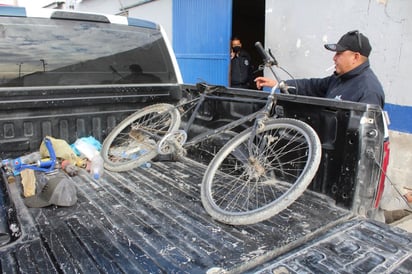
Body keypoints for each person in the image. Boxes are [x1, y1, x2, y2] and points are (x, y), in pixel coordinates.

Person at [254, 30, 385, 108]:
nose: (334, 58)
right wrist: (279, 84)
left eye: (339, 54)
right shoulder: (339, 79)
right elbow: (311, 86)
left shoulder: (369, 91)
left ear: (355, 57)